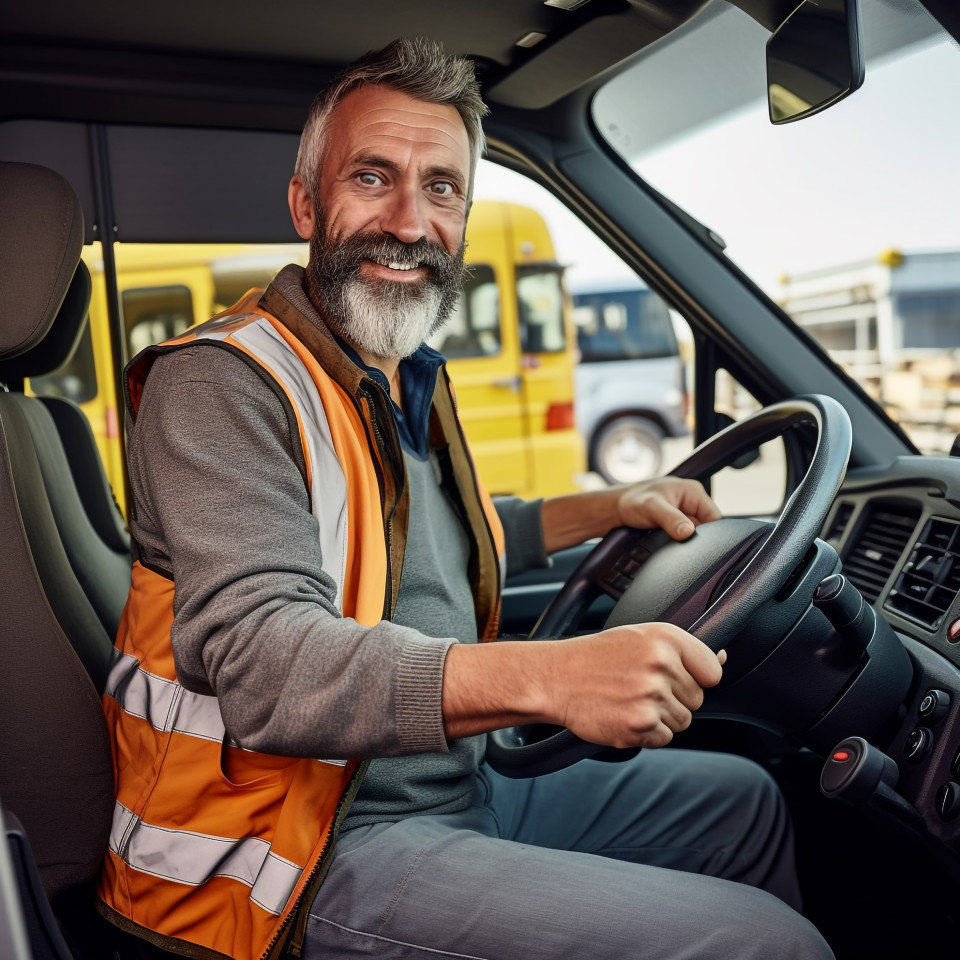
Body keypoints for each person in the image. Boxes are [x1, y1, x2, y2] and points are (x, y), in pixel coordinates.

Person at [97, 37, 834, 960]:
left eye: (441, 188)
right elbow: (260, 661)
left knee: (742, 804)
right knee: (766, 944)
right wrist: (554, 678)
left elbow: (446, 548)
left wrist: (609, 509)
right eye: (373, 176)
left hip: (452, 780)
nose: (410, 221)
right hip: (294, 850)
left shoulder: (400, 375)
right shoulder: (221, 382)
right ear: (305, 204)